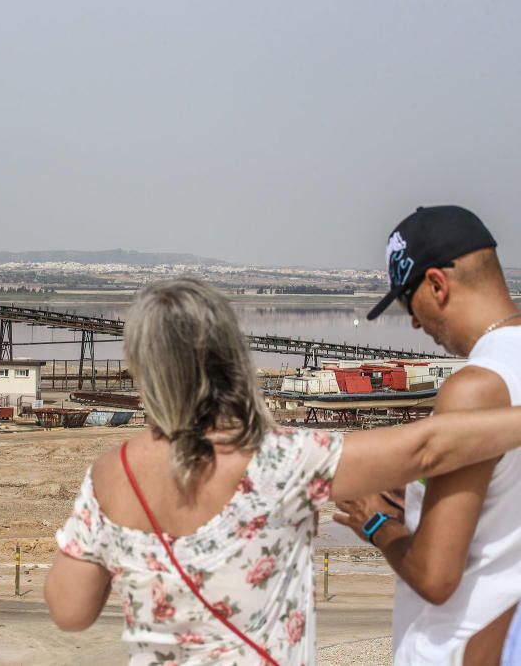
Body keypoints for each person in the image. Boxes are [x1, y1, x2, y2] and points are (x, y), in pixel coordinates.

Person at [43, 277, 521, 666]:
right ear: (233, 357)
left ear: (142, 367)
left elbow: (69, 611)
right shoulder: (284, 458)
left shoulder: (112, 474)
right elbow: (428, 449)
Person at [333, 205, 521, 665]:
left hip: (457, 644)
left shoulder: (476, 388)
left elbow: (437, 577)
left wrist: (376, 522)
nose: (414, 324)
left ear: (436, 284)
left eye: (406, 302)